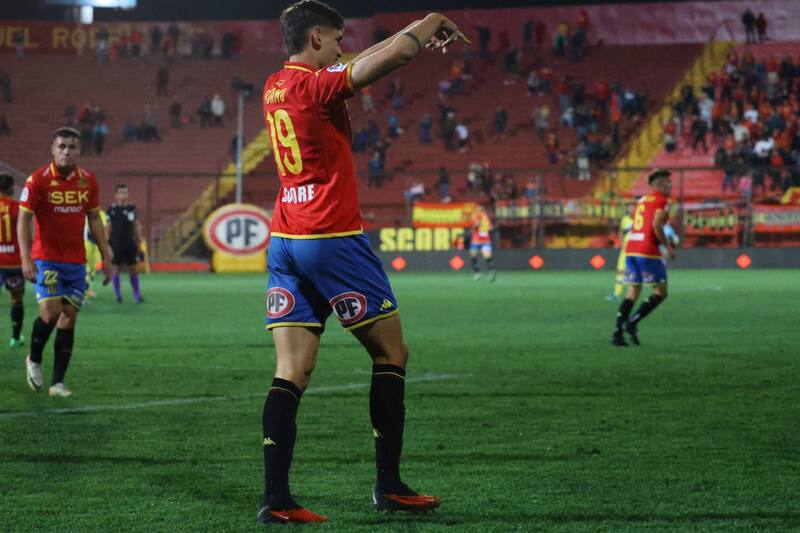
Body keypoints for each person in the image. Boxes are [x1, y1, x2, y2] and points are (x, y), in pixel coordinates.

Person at [259, 1, 468, 523]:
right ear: (314, 41)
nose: (340, 48)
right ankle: (389, 484)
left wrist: (399, 34)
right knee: (391, 353)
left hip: (285, 237)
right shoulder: (314, 86)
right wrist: (430, 22)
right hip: (331, 237)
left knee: (291, 370)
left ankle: (276, 499)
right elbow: (395, 55)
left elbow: (363, 58)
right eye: (334, 40)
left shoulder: (274, 85)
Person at [19, 127, 111, 397]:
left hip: (75, 261)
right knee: (50, 313)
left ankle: (58, 383)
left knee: (69, 317)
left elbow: (94, 218)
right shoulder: (37, 179)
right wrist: (26, 258)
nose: (66, 151)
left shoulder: (88, 181)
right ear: (52, 149)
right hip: (46, 258)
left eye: (71, 147)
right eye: (61, 146)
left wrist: (106, 254)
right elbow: (23, 218)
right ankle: (34, 358)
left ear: (78, 150)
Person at [611, 169, 675, 347]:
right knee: (661, 292)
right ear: (661, 184)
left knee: (632, 292)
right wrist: (667, 247)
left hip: (631, 249)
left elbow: (641, 223)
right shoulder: (662, 201)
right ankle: (632, 322)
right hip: (647, 251)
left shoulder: (642, 201)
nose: (671, 185)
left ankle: (617, 334)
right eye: (669, 182)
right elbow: (656, 225)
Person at [0, 174, 26, 346]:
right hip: (14, 262)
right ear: (11, 188)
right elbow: (25, 234)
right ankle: (15, 338)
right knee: (16, 299)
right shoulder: (17, 207)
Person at [107, 185, 144, 304]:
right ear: (116, 195)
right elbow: (108, 228)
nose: (123, 195)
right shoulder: (111, 209)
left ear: (128, 195)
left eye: (125, 193)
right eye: (121, 193)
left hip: (130, 243)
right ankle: (118, 295)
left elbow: (136, 225)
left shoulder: (132, 208)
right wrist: (107, 243)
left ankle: (137, 295)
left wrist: (140, 238)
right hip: (116, 243)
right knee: (116, 268)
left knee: (132, 268)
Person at [608, 202, 635, 301]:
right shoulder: (625, 219)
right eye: (629, 208)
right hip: (625, 250)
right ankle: (616, 293)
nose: (630, 209)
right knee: (620, 270)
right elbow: (621, 232)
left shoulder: (639, 219)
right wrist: (621, 243)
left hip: (635, 250)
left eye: (632, 207)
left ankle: (631, 294)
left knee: (633, 272)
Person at [468, 205, 496, 281]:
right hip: (476, 240)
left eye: (481, 210)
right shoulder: (474, 217)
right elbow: (474, 225)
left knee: (487, 256)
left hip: (485, 240)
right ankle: (477, 273)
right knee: (472, 255)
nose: (479, 212)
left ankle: (492, 271)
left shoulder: (486, 218)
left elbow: (491, 227)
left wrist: (485, 225)